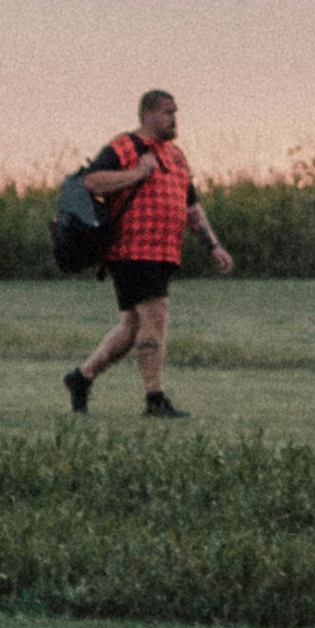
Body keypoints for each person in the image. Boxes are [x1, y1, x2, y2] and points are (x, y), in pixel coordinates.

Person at [67, 89, 231, 417]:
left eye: (175, 112)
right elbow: (92, 182)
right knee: (155, 319)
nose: (174, 119)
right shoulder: (124, 147)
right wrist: (137, 173)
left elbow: (191, 208)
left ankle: (81, 377)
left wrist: (213, 246)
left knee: (130, 329)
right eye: (168, 112)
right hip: (134, 250)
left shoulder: (176, 156)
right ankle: (154, 398)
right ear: (148, 114)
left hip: (164, 252)